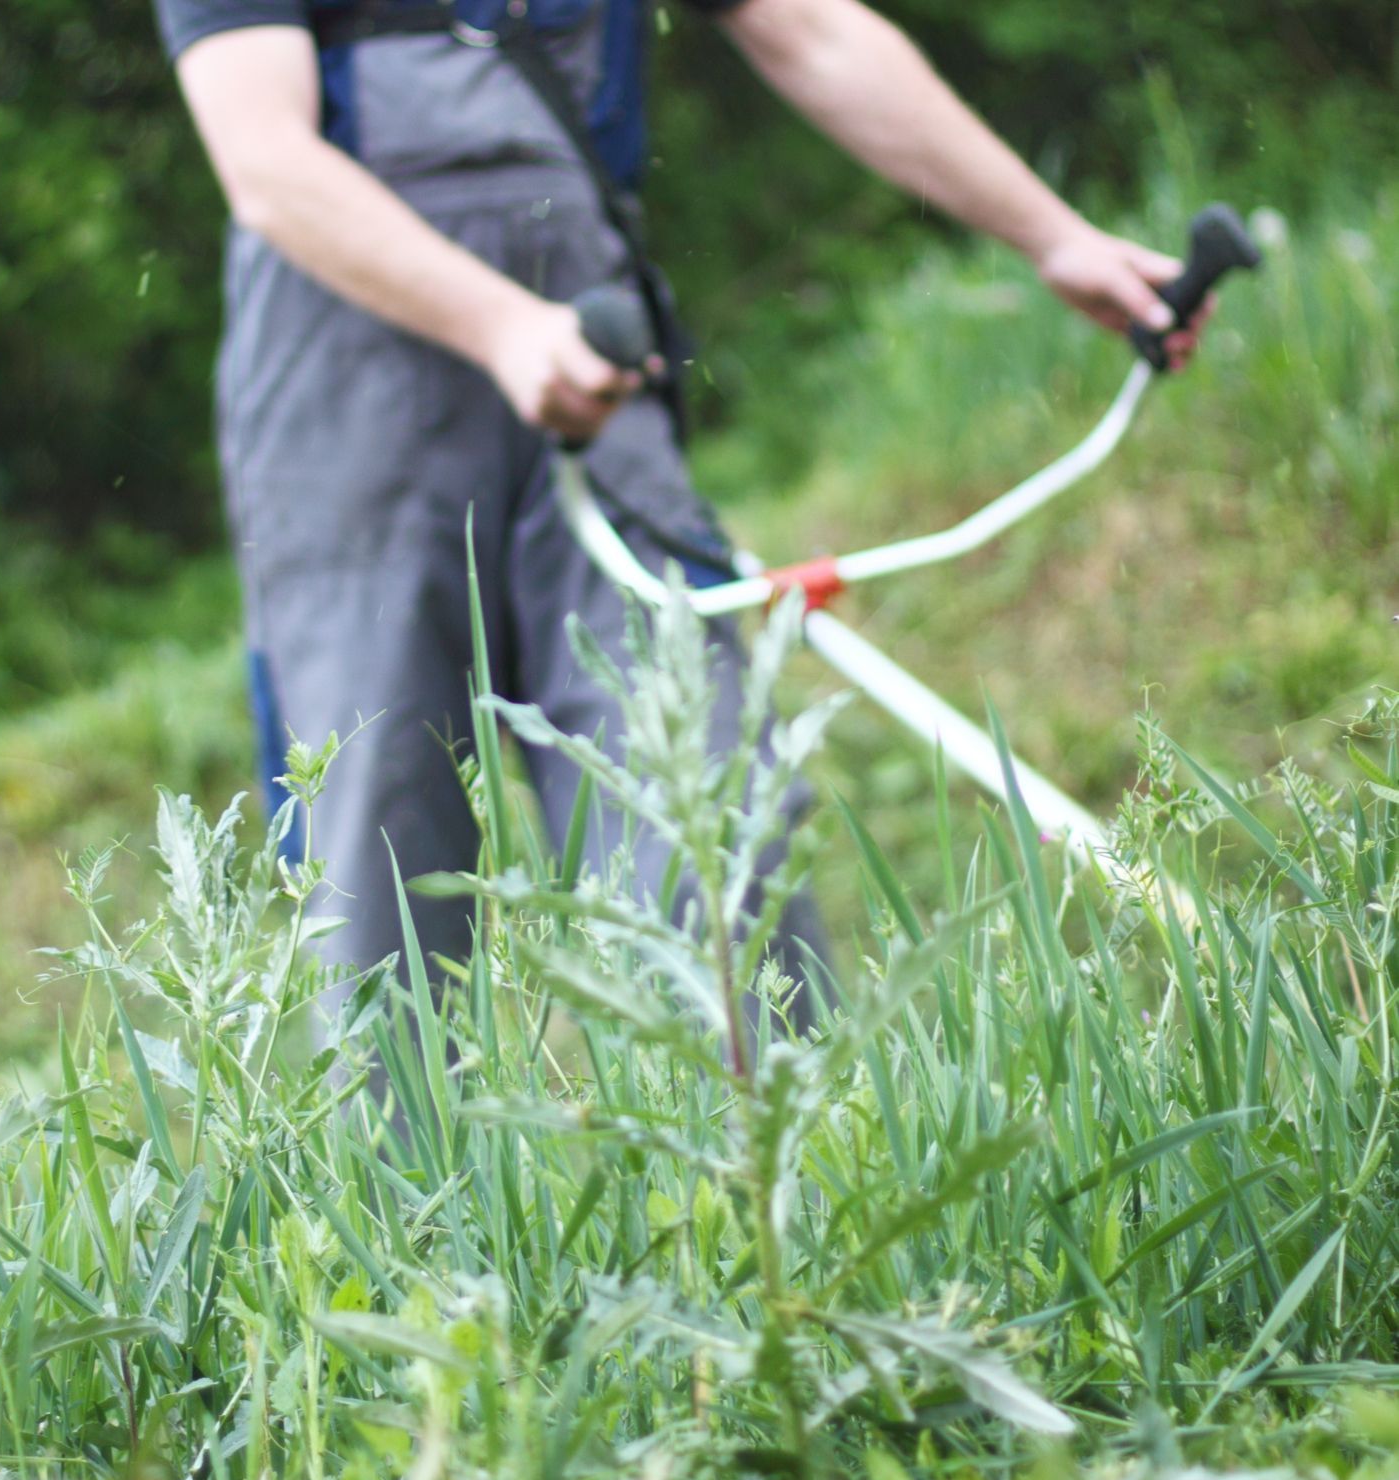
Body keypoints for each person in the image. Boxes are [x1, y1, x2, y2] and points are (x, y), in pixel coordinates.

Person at [152, 0, 1206, 993]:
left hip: (598, 371)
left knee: (702, 802)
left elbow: (806, 27)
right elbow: (267, 162)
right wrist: (502, 328)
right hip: (344, 397)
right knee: (370, 849)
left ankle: (782, 1163)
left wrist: (1050, 234)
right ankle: (394, 1189)